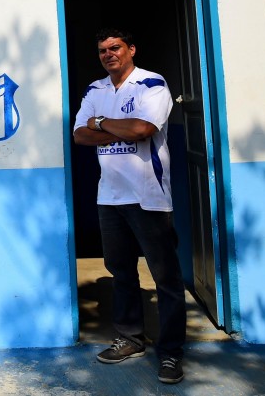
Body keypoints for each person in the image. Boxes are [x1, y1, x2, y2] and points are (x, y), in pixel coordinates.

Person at [72, 27, 186, 384]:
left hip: (148, 195)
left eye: (115, 47)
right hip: (110, 196)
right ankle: (131, 338)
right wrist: (115, 127)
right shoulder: (95, 89)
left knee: (165, 277)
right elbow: (79, 135)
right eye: (103, 50)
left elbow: (142, 130)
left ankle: (170, 354)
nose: (109, 54)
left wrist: (102, 123)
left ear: (131, 49)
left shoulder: (151, 84)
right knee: (121, 271)